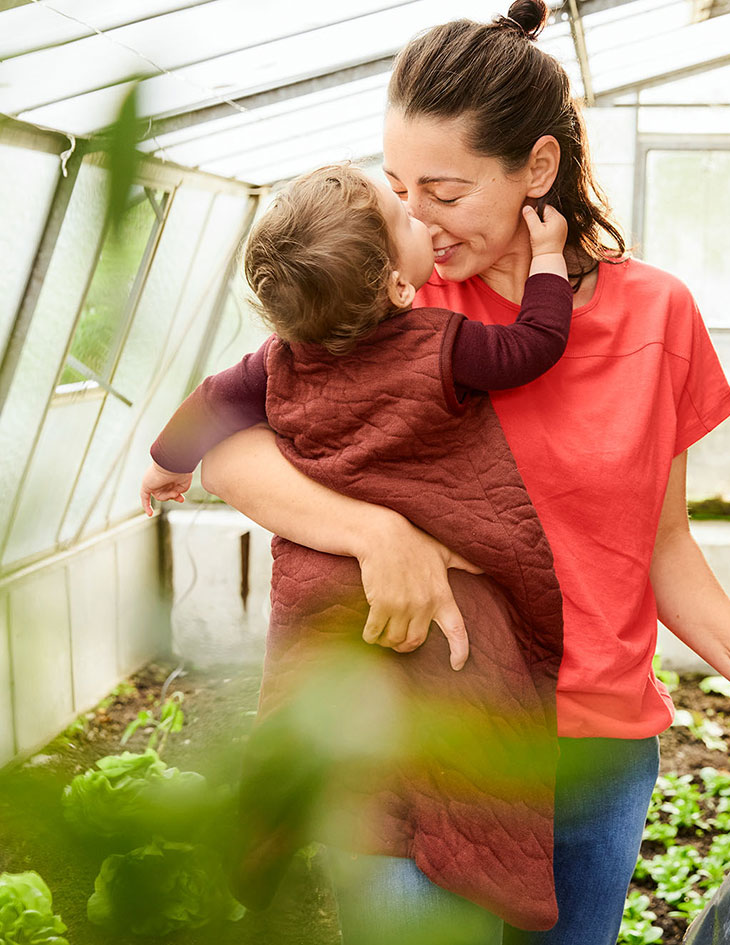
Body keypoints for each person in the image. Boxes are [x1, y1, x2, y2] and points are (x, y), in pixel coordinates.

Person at [194, 2, 730, 943]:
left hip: (599, 750)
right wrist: (377, 534)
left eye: (444, 190)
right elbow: (226, 443)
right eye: (396, 185)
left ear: (537, 169)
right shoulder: (391, 298)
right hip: (420, 734)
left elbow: (658, 545)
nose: (413, 215)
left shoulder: (657, 317)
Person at [140, 161, 579, 934]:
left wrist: (165, 463)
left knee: (326, 729)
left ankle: (286, 827)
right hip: (444, 590)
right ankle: (471, 861)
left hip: (320, 596)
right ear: (400, 290)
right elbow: (532, 347)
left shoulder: (276, 362)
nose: (420, 215)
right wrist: (548, 262)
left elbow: (212, 402)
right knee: (470, 699)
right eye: (405, 216)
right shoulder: (440, 346)